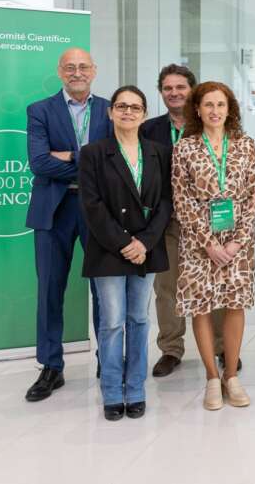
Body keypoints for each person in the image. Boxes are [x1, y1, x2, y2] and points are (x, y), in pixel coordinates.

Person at [79, 86, 172, 420]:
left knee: (139, 319)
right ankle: (112, 393)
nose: (128, 112)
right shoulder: (93, 153)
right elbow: (92, 206)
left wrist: (144, 242)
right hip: (109, 249)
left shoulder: (159, 152)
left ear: (144, 114)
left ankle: (135, 389)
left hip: (145, 248)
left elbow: (165, 202)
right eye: (122, 106)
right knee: (112, 323)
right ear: (110, 112)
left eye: (135, 107)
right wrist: (124, 243)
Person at [25, 47, 111, 402]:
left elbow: (116, 159)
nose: (77, 72)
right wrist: (89, 159)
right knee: (49, 289)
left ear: (94, 70)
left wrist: (70, 156)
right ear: (60, 72)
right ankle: (51, 366)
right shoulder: (39, 110)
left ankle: (108, 361)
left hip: (98, 209)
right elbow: (40, 164)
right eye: (70, 67)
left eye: (83, 67)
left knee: (104, 290)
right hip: (53, 210)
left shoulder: (111, 109)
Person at [172, 81, 255, 410]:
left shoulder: (246, 145)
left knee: (235, 304)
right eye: (208, 105)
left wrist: (237, 242)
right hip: (198, 244)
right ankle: (211, 376)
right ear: (197, 109)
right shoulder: (185, 148)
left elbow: (253, 195)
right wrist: (208, 243)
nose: (214, 111)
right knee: (202, 307)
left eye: (220, 105)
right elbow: (181, 199)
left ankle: (231, 376)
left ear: (229, 108)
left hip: (238, 242)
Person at [141, 64, 229, 378]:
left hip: (209, 223)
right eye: (168, 88)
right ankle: (171, 349)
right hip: (167, 222)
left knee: (214, 285)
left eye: (181, 87)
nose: (175, 93)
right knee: (167, 288)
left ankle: (222, 349)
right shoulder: (148, 129)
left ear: (192, 90)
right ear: (161, 92)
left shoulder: (208, 123)